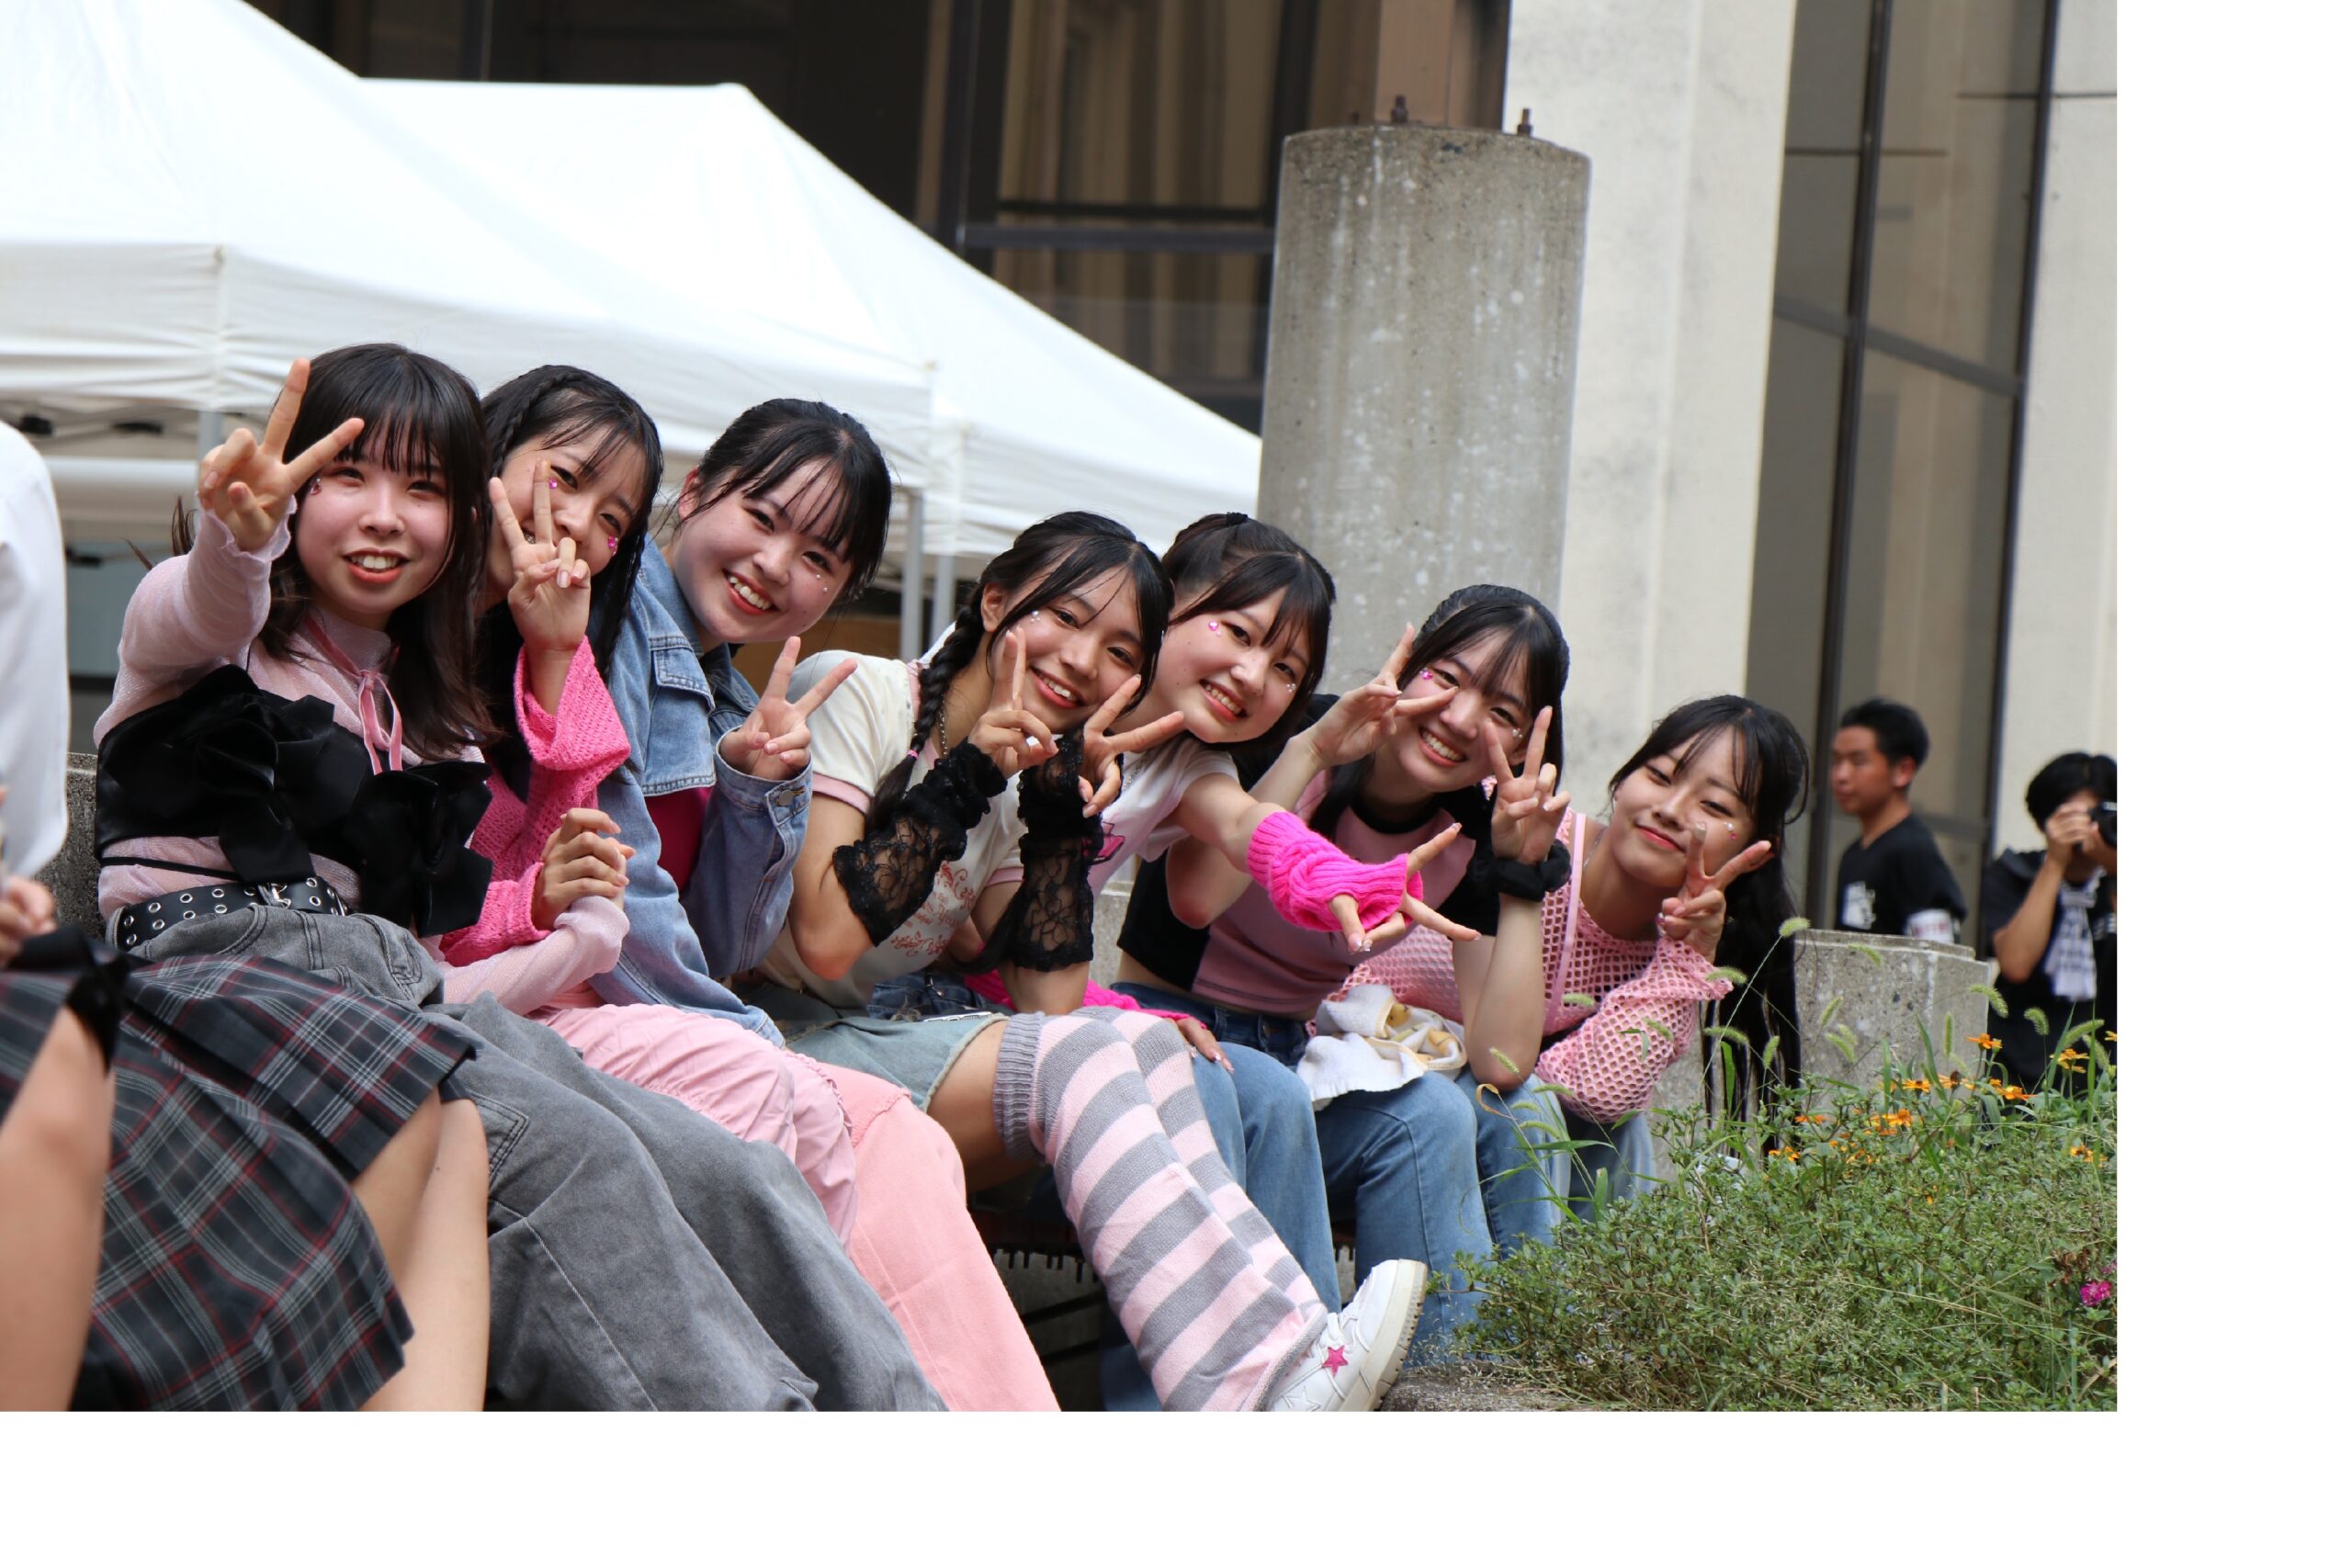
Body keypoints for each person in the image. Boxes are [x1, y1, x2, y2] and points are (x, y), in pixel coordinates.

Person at [93, 345, 939, 1411]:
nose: (386, 516)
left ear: (459, 516)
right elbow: (209, 602)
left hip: (390, 994)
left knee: (723, 1166)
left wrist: (551, 879)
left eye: (423, 489)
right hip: (216, 981)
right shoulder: (207, 631)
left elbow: (468, 918)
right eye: (349, 475)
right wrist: (238, 534)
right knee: (580, 1154)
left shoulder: (421, 708)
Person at [444, 372, 1050, 1408]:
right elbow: (616, 889)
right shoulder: (606, 616)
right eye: (762, 519)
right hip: (547, 1000)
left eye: (817, 558)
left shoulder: (737, 689)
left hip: (604, 1003)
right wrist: (744, 1031)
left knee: (898, 1135)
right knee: (809, 1108)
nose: (775, 566)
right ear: (695, 492)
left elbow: (722, 940)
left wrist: (752, 790)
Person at [746, 512, 1430, 1410]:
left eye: (1116, 651)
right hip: (767, 1033)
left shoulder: (1038, 769)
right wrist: (973, 776)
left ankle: (1289, 1359)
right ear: (995, 600)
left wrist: (1060, 827)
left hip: (879, 1033)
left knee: (1163, 1053)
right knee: (1136, 1054)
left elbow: (1048, 992)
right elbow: (828, 938)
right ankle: (1250, 1379)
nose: (1080, 659)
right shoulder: (873, 693)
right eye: (1065, 619)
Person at [1116, 584, 1566, 1357]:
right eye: (1447, 677)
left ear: (1527, 742)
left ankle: (1448, 1385)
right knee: (1275, 1094)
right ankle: (1305, 1372)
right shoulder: (1282, 728)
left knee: (1435, 1114)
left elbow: (1500, 1060)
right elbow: (1194, 900)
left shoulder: (1470, 830)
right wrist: (1313, 752)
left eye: (1502, 711)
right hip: (1167, 1034)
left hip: (1292, 1066)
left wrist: (1521, 874)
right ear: (1408, 665)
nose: (1461, 719)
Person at [1352, 694, 1809, 1227]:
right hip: (1366, 1079)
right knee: (1527, 1107)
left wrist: (1687, 958)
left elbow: (1597, 1096)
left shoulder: (1678, 944)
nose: (1670, 808)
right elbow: (1509, 1073)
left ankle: (1590, 1285)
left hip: (1484, 1125)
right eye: (1660, 776)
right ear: (1624, 779)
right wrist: (1519, 874)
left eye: (1714, 806)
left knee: (1617, 1135)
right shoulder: (1528, 835)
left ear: (1754, 851)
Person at [1979, 751, 2116, 1089]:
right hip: (2015, 1069)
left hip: (2103, 1073)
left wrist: (2116, 868)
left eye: (2099, 814)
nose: (2088, 826)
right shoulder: (2014, 873)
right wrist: (2055, 864)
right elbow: (2016, 964)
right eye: (2073, 816)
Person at [1829, 697, 1966, 943]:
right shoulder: (1853, 854)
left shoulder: (1914, 852)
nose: (1841, 775)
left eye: (1857, 762)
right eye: (1837, 761)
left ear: (1903, 771)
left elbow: (1938, 954)